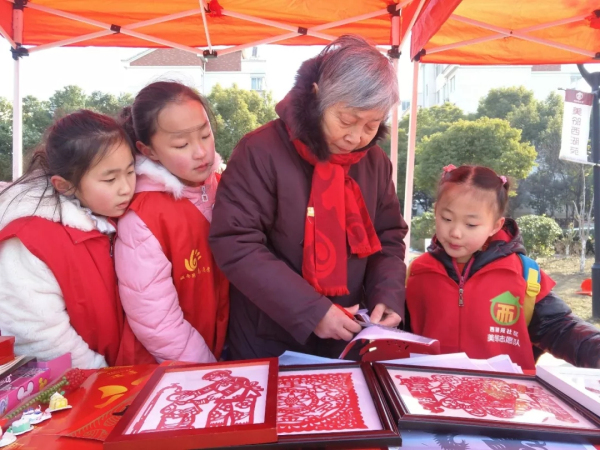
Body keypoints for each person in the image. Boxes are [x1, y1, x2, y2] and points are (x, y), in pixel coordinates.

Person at [209, 35, 408, 360]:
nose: (355, 137)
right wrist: (311, 310)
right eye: (346, 120)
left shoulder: (374, 162)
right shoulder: (261, 151)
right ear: (316, 96)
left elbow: (388, 238)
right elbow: (235, 241)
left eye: (371, 125)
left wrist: (388, 292)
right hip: (269, 335)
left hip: (349, 334)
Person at [405, 164, 600, 370]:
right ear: (435, 211)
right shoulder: (417, 272)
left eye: (471, 224)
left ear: (495, 226)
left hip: (507, 396)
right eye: (446, 218)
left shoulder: (525, 274)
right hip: (428, 393)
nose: (455, 232)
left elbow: (560, 328)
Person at [0, 110, 136, 369]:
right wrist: (100, 374)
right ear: (64, 185)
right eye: (110, 179)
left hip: (125, 379)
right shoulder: (28, 240)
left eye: (130, 172)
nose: (126, 187)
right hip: (81, 388)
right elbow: (38, 335)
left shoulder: (117, 215)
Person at [116, 81, 228, 364]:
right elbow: (156, 321)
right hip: (173, 369)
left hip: (225, 348)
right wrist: (206, 369)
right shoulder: (142, 216)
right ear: (149, 150)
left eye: (205, 135)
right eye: (181, 144)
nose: (201, 152)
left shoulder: (225, 186)